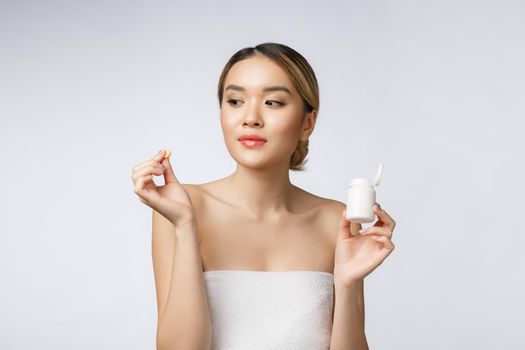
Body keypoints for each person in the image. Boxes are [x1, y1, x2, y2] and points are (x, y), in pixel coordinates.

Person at [131, 42, 396, 350]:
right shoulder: (182, 209)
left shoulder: (335, 220)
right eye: (235, 100)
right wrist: (186, 227)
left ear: (307, 123)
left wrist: (347, 285)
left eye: (272, 102)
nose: (251, 118)